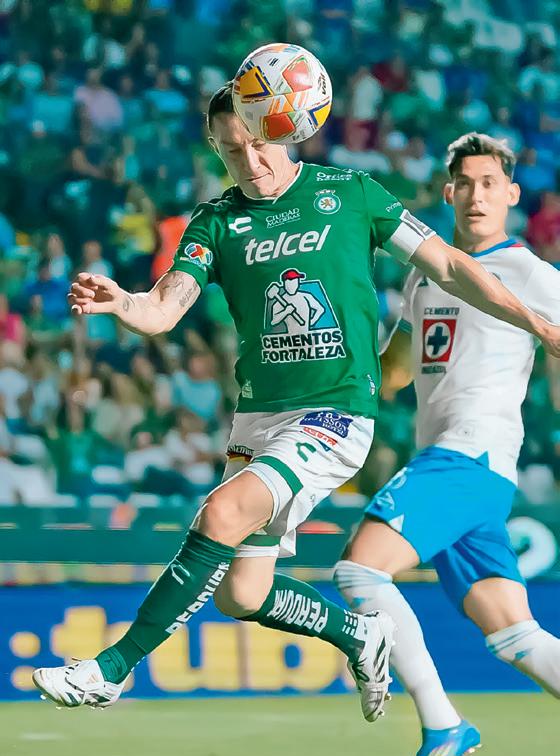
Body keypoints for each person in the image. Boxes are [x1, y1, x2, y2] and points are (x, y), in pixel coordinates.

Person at [33, 86, 560, 718]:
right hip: (258, 419)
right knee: (242, 594)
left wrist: (542, 326)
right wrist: (123, 302)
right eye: (231, 151)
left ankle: (112, 669)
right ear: (216, 149)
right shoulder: (216, 222)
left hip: (334, 414)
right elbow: (163, 309)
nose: (250, 162)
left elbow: (447, 265)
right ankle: (359, 634)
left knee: (221, 513)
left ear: (282, 129)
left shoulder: (351, 193)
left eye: (258, 144)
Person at [333, 132, 560, 756]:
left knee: (359, 569)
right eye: (465, 183)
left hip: (472, 454)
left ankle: (442, 724)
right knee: (515, 635)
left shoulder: (528, 274)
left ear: (511, 194)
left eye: (490, 183)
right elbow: (396, 373)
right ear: (448, 191)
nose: (477, 195)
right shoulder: (425, 271)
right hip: (461, 465)